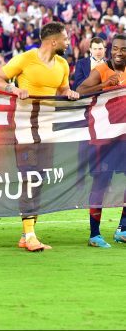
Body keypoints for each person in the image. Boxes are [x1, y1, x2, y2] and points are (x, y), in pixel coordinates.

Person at [0, 21, 79, 252]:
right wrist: (14, 89)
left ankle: (26, 234)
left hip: (48, 129)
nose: (68, 41)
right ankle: (30, 234)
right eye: (65, 37)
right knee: (29, 177)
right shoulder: (26, 58)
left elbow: (62, 89)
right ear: (53, 41)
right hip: (25, 127)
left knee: (40, 180)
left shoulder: (62, 64)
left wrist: (67, 92)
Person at [76, 35, 126, 248]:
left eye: (123, 49)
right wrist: (105, 84)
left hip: (124, 137)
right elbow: (80, 91)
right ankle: (94, 235)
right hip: (105, 139)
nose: (118, 52)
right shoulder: (102, 70)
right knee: (101, 183)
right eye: (115, 48)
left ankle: (122, 229)